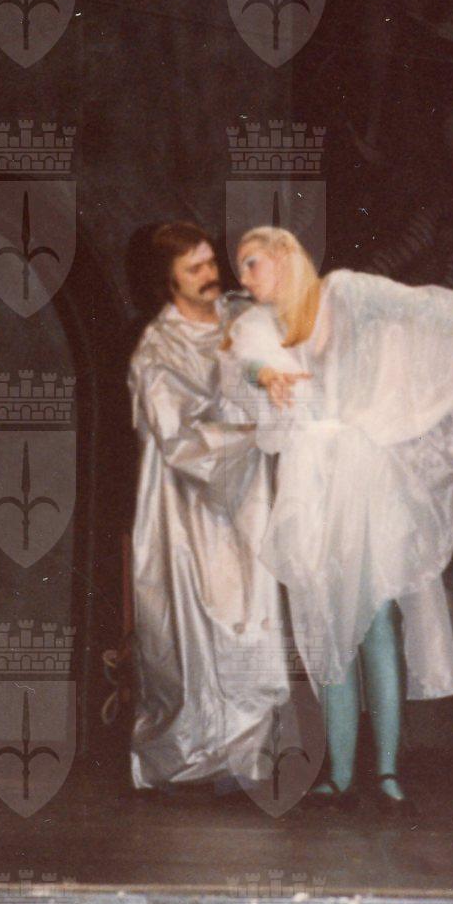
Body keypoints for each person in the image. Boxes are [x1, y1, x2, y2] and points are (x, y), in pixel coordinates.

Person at [220, 226, 453, 808]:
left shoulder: (344, 291)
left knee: (378, 616)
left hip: (365, 474)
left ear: (285, 256)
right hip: (311, 481)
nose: (244, 277)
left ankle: (387, 772)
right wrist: (267, 375)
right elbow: (247, 359)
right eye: (241, 267)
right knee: (327, 621)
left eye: (252, 262)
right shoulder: (258, 322)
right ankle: (340, 773)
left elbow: (424, 306)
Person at [127, 222, 290, 791]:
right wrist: (253, 433)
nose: (209, 274)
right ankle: (192, 758)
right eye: (193, 268)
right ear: (166, 280)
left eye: (209, 262)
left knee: (253, 618)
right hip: (186, 507)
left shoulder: (242, 318)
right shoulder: (157, 348)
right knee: (194, 628)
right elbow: (178, 438)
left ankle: (247, 758)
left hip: (248, 497)